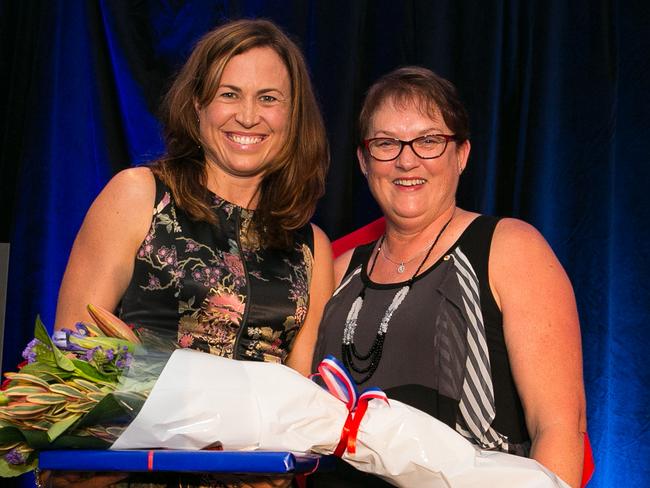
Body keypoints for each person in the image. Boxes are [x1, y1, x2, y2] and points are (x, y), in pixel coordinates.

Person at [49, 18, 334, 487]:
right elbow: (75, 353)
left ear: (294, 115)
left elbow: (298, 399)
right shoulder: (139, 195)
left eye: (269, 98)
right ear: (197, 105)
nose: (248, 116)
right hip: (130, 475)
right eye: (228, 94)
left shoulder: (312, 246)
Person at [311, 67, 586, 487]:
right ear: (364, 162)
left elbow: (559, 426)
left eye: (429, 141)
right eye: (386, 143)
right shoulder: (335, 270)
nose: (407, 159)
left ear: (461, 154)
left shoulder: (509, 248)